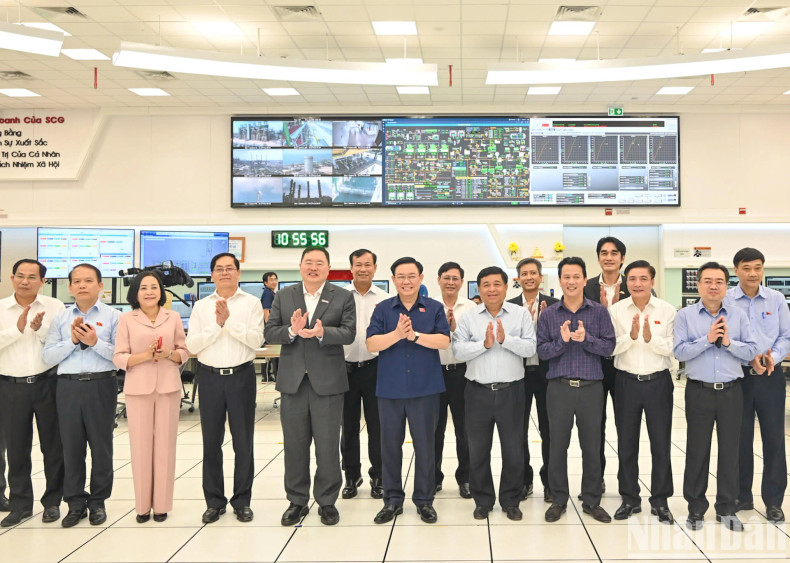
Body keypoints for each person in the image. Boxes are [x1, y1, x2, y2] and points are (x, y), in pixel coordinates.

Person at [265, 246, 355, 527]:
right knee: (294, 445)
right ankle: (297, 501)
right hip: (293, 382)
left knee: (328, 446)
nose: (313, 267)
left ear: (328, 268)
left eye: (319, 263)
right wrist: (292, 331)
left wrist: (321, 333)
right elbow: (270, 332)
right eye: (308, 262)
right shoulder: (284, 295)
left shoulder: (342, 296)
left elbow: (349, 333)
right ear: (300, 266)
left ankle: (327, 501)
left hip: (327, 382)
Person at [674, 262, 758, 532]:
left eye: (719, 281)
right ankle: (696, 508)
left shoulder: (739, 316)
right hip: (699, 391)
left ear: (726, 285)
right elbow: (679, 352)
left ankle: (727, 508)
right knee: (697, 452)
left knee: (730, 452)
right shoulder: (685, 316)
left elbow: (751, 351)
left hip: (732, 392)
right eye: (708, 281)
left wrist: (730, 342)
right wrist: (708, 340)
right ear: (698, 285)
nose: (713, 286)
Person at [367, 257, 450, 525]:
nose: (406, 281)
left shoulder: (434, 308)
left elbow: (444, 341)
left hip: (425, 389)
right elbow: (371, 344)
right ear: (393, 280)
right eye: (401, 276)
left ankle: (424, 501)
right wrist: (397, 335)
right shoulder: (382, 309)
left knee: (426, 447)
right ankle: (392, 501)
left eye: (411, 276)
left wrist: (414, 336)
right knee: (390, 447)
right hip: (390, 390)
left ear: (421, 278)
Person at [453, 266, 536, 521]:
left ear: (506, 287)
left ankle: (511, 500)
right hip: (477, 392)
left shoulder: (520, 315)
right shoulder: (468, 317)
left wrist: (505, 340)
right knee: (478, 450)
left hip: (512, 391)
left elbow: (531, 348)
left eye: (497, 284)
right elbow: (458, 350)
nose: (491, 289)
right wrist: (485, 344)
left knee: (513, 449)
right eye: (486, 284)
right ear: (479, 288)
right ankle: (483, 500)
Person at [186, 253, 263, 524]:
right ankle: (214, 502)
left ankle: (242, 501)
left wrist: (229, 321)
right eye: (219, 269)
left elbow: (256, 340)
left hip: (242, 377)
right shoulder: (201, 307)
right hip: (209, 379)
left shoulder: (252, 303)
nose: (225, 273)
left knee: (244, 443)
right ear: (212, 275)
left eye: (230, 268)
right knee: (211, 442)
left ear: (239, 273)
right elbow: (192, 346)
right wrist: (218, 325)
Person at [537, 257, 616, 524]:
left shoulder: (599, 312)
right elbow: (542, 351)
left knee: (592, 446)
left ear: (585, 280)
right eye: (566, 277)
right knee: (557, 446)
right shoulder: (548, 314)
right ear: (559, 280)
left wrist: (587, 339)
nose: (571, 282)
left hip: (591, 388)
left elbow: (609, 348)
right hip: (558, 388)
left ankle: (592, 500)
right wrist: (562, 340)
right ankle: (559, 499)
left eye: (576, 277)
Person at [42, 263, 121, 528]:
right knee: (71, 448)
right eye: (77, 281)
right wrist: (73, 342)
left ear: (100, 286)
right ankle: (75, 503)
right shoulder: (61, 318)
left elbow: (121, 358)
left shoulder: (114, 316)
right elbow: (48, 356)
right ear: (70, 287)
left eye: (89, 280)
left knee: (102, 448)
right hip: (68, 387)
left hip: (102, 386)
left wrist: (94, 342)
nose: (82, 285)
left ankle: (98, 502)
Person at [113, 270, 190, 523]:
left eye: (154, 287)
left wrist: (169, 353)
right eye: (143, 287)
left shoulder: (173, 316)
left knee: (165, 447)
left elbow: (183, 352)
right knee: (141, 447)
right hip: (138, 389)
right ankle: (142, 506)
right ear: (135, 292)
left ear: (161, 292)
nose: (149, 292)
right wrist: (145, 356)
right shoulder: (127, 319)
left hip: (168, 387)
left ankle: (162, 505)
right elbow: (119, 357)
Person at [608, 260, 676, 524]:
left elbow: (673, 347)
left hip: (658, 382)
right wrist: (631, 336)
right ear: (626, 282)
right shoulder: (616, 311)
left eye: (643, 279)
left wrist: (649, 338)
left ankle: (660, 500)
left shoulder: (667, 310)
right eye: (632, 279)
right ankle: (629, 498)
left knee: (661, 444)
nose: (637, 284)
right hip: (625, 383)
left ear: (652, 281)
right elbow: (609, 348)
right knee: (626, 443)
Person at [727, 248, 790, 524]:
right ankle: (742, 495)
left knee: (774, 438)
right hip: (737, 377)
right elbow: (725, 335)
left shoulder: (776, 299)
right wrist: (749, 357)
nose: (753, 273)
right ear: (736, 271)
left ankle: (774, 501)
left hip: (770, 377)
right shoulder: (727, 299)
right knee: (739, 439)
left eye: (758, 267)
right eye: (746, 268)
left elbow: (786, 336)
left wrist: (771, 358)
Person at [0, 259, 64, 526]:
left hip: (48, 383)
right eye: (20, 276)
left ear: (42, 281)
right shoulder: (1, 308)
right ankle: (20, 504)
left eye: (31, 277)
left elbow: (62, 343)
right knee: (16, 449)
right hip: (10, 386)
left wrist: (40, 330)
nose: (25, 281)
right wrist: (17, 328)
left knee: (53, 447)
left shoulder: (55, 306)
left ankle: (52, 503)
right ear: (12, 278)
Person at [508, 257, 558, 503]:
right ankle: (524, 480)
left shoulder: (555, 305)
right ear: (517, 279)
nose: (528, 277)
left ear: (540, 277)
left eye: (533, 273)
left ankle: (550, 482)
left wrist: (546, 322)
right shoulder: (509, 307)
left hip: (548, 375)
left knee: (550, 431)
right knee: (518, 431)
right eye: (523, 273)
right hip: (518, 375)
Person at [583, 236, 628, 494]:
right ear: (598, 257)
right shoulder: (586, 287)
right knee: (593, 428)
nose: (608, 257)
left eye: (614, 253)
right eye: (603, 252)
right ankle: (595, 480)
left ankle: (626, 482)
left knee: (625, 426)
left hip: (623, 365)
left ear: (622, 258)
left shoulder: (635, 285)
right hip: (594, 365)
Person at [341, 249, 387, 500]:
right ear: (351, 268)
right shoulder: (339, 296)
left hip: (375, 368)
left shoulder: (385, 298)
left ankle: (378, 476)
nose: (363, 269)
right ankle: (351, 476)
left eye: (367, 264)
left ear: (375, 268)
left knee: (377, 425)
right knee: (347, 427)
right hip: (344, 370)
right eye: (358, 264)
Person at [435, 261, 474, 499]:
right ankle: (433, 477)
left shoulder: (470, 308)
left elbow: (476, 339)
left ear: (461, 282)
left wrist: (455, 329)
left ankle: (466, 478)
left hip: (462, 372)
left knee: (465, 429)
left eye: (455, 278)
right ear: (438, 279)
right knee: (433, 428)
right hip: (433, 373)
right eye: (446, 278)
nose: (451, 282)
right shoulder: (428, 306)